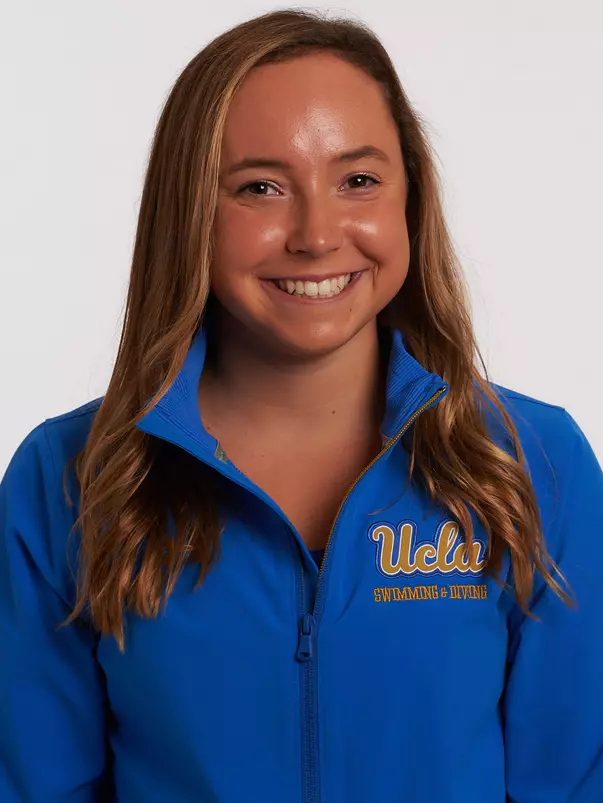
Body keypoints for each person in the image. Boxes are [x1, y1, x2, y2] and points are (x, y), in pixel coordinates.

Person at [1, 7, 602, 803]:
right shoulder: (69, 477)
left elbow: (572, 782)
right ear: (191, 212)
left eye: (357, 180)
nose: (317, 234)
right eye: (260, 187)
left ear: (409, 201)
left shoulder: (530, 462)